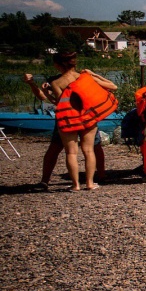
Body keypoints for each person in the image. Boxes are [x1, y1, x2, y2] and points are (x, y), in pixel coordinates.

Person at [31, 51, 118, 190]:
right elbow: (112, 86)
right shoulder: (85, 77)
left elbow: (60, 103)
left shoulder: (56, 82)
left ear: (58, 65)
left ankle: (75, 185)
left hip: (69, 120)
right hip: (87, 118)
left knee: (71, 152)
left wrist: (47, 93)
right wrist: (93, 74)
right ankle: (90, 183)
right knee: (89, 151)